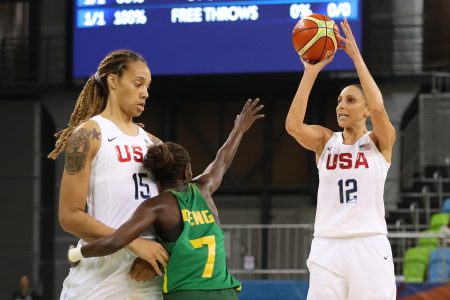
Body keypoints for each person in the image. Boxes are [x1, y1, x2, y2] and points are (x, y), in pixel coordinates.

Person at [66, 98, 264, 300]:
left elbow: (116, 240)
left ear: (156, 181)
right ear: (187, 172)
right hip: (224, 291)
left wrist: (77, 253)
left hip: (186, 294)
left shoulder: (157, 207)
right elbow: (222, 160)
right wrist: (239, 128)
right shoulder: (204, 188)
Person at [286, 19, 396, 299]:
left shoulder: (378, 143)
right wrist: (310, 72)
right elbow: (293, 126)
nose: (341, 106)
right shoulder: (326, 141)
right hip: (327, 245)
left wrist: (356, 57)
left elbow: (381, 107)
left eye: (350, 100)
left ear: (366, 110)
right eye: (338, 101)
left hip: (368, 244)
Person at [48, 49, 169, 299]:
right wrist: (133, 242)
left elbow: (179, 209)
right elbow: (69, 216)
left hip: (148, 279)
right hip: (98, 281)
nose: (145, 92)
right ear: (113, 81)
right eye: (138, 84)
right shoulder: (88, 134)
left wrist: (158, 251)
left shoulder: (155, 145)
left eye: (147, 86)